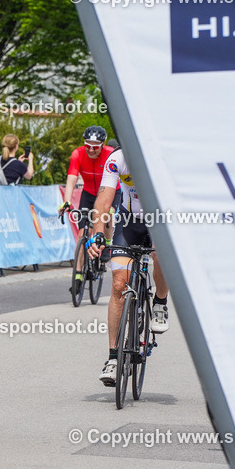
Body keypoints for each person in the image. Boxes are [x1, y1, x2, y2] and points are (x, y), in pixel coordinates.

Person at [87, 145, 170, 386]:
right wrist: (98, 233)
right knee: (118, 285)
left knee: (162, 256)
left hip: (160, 219)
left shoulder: (165, 157)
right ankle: (113, 359)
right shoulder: (118, 158)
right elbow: (104, 201)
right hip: (128, 221)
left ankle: (160, 302)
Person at [59, 126, 113, 290]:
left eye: (95, 147)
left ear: (102, 145)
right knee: (82, 233)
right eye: (88, 145)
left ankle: (107, 245)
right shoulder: (78, 154)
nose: (90, 150)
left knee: (108, 214)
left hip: (109, 192)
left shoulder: (110, 154)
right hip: (88, 194)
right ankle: (77, 274)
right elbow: (71, 178)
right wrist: (67, 201)